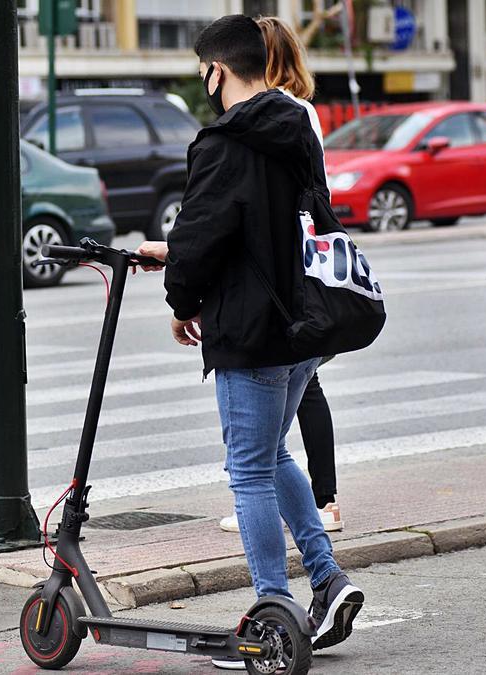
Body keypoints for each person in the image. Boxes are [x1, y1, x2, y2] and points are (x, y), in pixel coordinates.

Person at [136, 15, 363, 669]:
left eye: (202, 71)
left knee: (248, 472)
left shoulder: (223, 142)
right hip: (305, 323)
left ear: (217, 71)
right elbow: (305, 216)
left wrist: (181, 302)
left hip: (252, 329)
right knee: (271, 454)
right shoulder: (297, 126)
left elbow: (206, 234)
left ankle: (272, 616)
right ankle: (327, 578)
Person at [216, 15, 343, 535]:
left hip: (286, 277)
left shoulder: (286, 115)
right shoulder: (295, 112)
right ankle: (318, 512)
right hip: (296, 270)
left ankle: (319, 501)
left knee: (270, 435)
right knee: (299, 393)